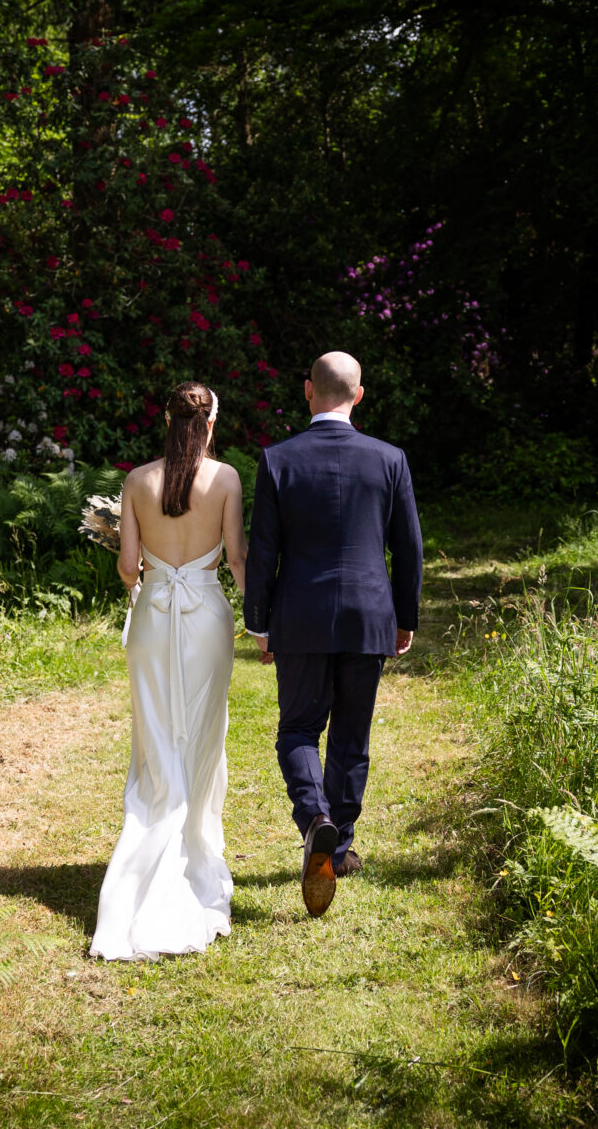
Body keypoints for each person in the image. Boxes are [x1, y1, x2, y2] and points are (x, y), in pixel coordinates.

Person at [243, 351, 422, 917]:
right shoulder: (389, 459)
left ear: (307, 391)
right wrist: (405, 615)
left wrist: (259, 621)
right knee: (351, 733)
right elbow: (409, 547)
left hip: (299, 615)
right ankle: (337, 847)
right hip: (370, 614)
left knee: (297, 728)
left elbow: (264, 551)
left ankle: (314, 820)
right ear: (359, 395)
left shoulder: (278, 460)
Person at [89, 382, 246, 961]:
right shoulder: (226, 479)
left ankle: (150, 850)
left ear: (166, 419)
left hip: (154, 619)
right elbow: (235, 559)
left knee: (157, 739)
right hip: (206, 617)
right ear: (210, 422)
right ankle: (194, 857)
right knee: (202, 736)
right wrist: (261, 622)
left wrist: (145, 563)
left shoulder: (136, 482)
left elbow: (129, 571)